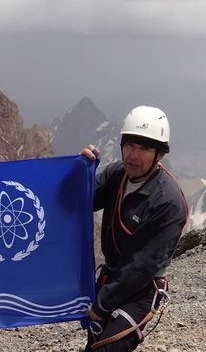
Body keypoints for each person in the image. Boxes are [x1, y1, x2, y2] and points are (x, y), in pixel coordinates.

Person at [80, 106, 188, 351]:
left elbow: (142, 267)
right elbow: (77, 202)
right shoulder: (116, 175)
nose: (134, 155)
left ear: (159, 155)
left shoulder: (168, 202)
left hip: (141, 290)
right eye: (129, 145)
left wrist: (102, 303)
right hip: (110, 278)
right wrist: (79, 171)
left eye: (145, 148)